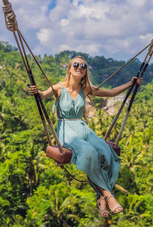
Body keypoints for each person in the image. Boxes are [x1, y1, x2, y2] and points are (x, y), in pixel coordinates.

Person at [29, 56, 142, 218]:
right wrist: (36, 92)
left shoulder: (86, 89)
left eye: (83, 66)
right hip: (66, 129)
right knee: (89, 152)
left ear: (85, 72)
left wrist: (130, 84)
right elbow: (42, 95)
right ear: (69, 68)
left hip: (82, 127)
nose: (79, 67)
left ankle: (100, 198)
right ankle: (107, 195)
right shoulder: (59, 88)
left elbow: (110, 93)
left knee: (105, 150)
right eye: (76, 64)